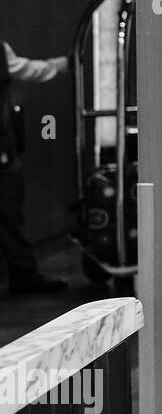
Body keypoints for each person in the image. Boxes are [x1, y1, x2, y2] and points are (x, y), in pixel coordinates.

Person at [1, 39, 71, 295]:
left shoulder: (2, 50)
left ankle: (24, 275)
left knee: (11, 217)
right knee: (10, 217)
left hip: (5, 154)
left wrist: (56, 66)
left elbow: (24, 68)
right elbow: (25, 69)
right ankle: (23, 275)